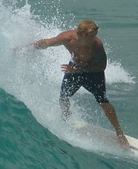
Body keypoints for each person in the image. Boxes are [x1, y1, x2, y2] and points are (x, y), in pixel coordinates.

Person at [22, 19, 130, 148]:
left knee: (103, 102)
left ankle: (120, 134)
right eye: (91, 36)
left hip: (94, 73)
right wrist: (25, 49)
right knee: (63, 97)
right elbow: (47, 42)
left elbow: (102, 66)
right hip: (74, 70)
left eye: (95, 35)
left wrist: (79, 69)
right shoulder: (67, 38)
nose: (94, 38)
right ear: (82, 34)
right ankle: (66, 121)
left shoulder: (96, 45)